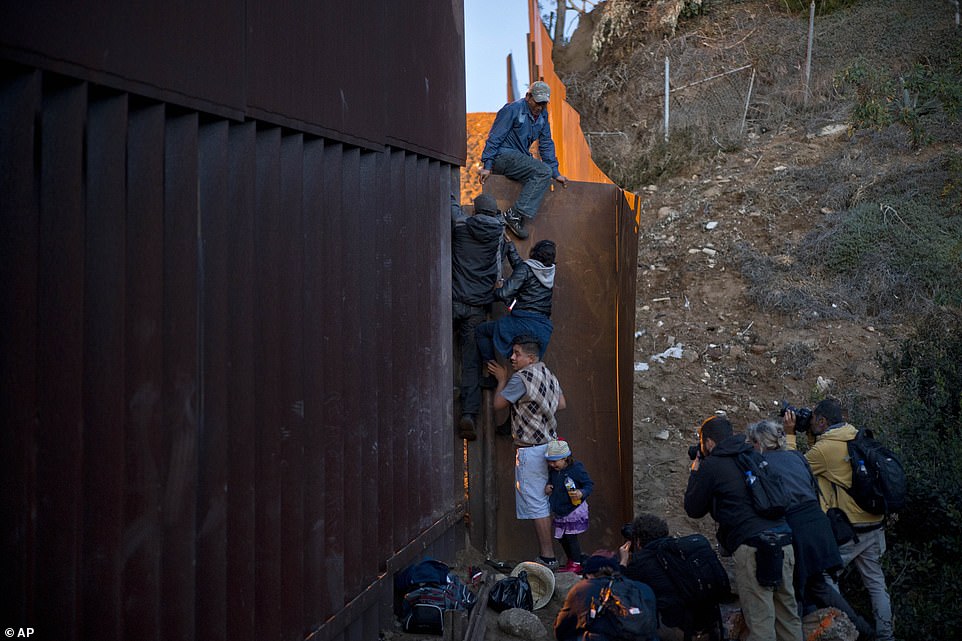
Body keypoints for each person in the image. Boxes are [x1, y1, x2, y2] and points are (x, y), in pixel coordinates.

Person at [747, 419, 874, 640]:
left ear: (760, 442)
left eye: (752, 442)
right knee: (819, 586)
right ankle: (864, 630)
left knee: (792, 592)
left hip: (796, 527)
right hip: (817, 522)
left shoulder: (761, 463)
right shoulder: (795, 456)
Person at [684, 415, 803, 641]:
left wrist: (695, 471)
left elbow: (693, 508)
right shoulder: (752, 455)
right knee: (788, 617)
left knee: (760, 622)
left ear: (708, 442)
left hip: (752, 546)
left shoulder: (712, 465)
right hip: (784, 540)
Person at [784, 398, 894, 641]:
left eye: (813, 419)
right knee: (876, 584)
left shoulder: (824, 450)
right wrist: (813, 434)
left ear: (822, 422)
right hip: (875, 525)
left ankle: (843, 632)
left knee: (826, 580)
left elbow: (793, 467)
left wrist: (790, 434)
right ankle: (886, 636)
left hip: (849, 531)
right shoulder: (855, 435)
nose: (809, 422)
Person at [488, 335, 566, 569]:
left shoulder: (520, 379)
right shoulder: (548, 374)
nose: (512, 357)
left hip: (530, 449)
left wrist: (502, 380)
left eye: (517, 353)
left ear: (530, 358)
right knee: (545, 499)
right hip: (550, 446)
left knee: (536, 503)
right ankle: (554, 555)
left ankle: (548, 556)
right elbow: (561, 403)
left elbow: (498, 404)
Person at [478, 80, 568, 239]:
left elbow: (546, 144)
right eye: (537, 102)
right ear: (528, 97)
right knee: (542, 172)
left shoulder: (542, 116)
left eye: (544, 103)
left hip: (518, 158)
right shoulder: (513, 109)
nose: (540, 107)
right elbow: (495, 138)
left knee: (543, 172)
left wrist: (555, 173)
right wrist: (487, 165)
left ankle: (513, 214)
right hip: (503, 156)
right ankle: (514, 215)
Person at [618, 513, 728, 641]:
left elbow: (621, 592)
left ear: (637, 541)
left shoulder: (641, 562)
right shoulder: (679, 553)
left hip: (677, 631)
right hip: (709, 627)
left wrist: (623, 563)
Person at [450, 192, 504, 440]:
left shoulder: (462, 227)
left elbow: (453, 212)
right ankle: (469, 414)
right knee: (470, 363)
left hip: (451, 301)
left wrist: (451, 196)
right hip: (476, 309)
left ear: (475, 211)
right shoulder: (498, 236)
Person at [476, 238, 556, 375]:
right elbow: (523, 269)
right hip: (542, 328)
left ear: (534, 252)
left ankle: (492, 371)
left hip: (521, 323)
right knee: (530, 371)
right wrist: (510, 247)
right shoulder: (549, 271)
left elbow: (504, 293)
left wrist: (496, 289)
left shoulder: (526, 269)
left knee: (481, 331)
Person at [555, 552, 659, 641]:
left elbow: (562, 628)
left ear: (589, 575)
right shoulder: (643, 588)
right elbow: (654, 626)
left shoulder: (584, 588)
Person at [544, 438, 594, 574]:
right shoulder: (553, 471)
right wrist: (549, 486)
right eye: (549, 461)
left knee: (571, 537)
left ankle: (576, 563)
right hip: (560, 509)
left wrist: (582, 492)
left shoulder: (576, 468)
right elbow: (552, 481)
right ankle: (572, 559)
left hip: (574, 509)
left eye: (554, 461)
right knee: (561, 538)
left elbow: (589, 485)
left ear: (565, 458)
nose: (552, 464)